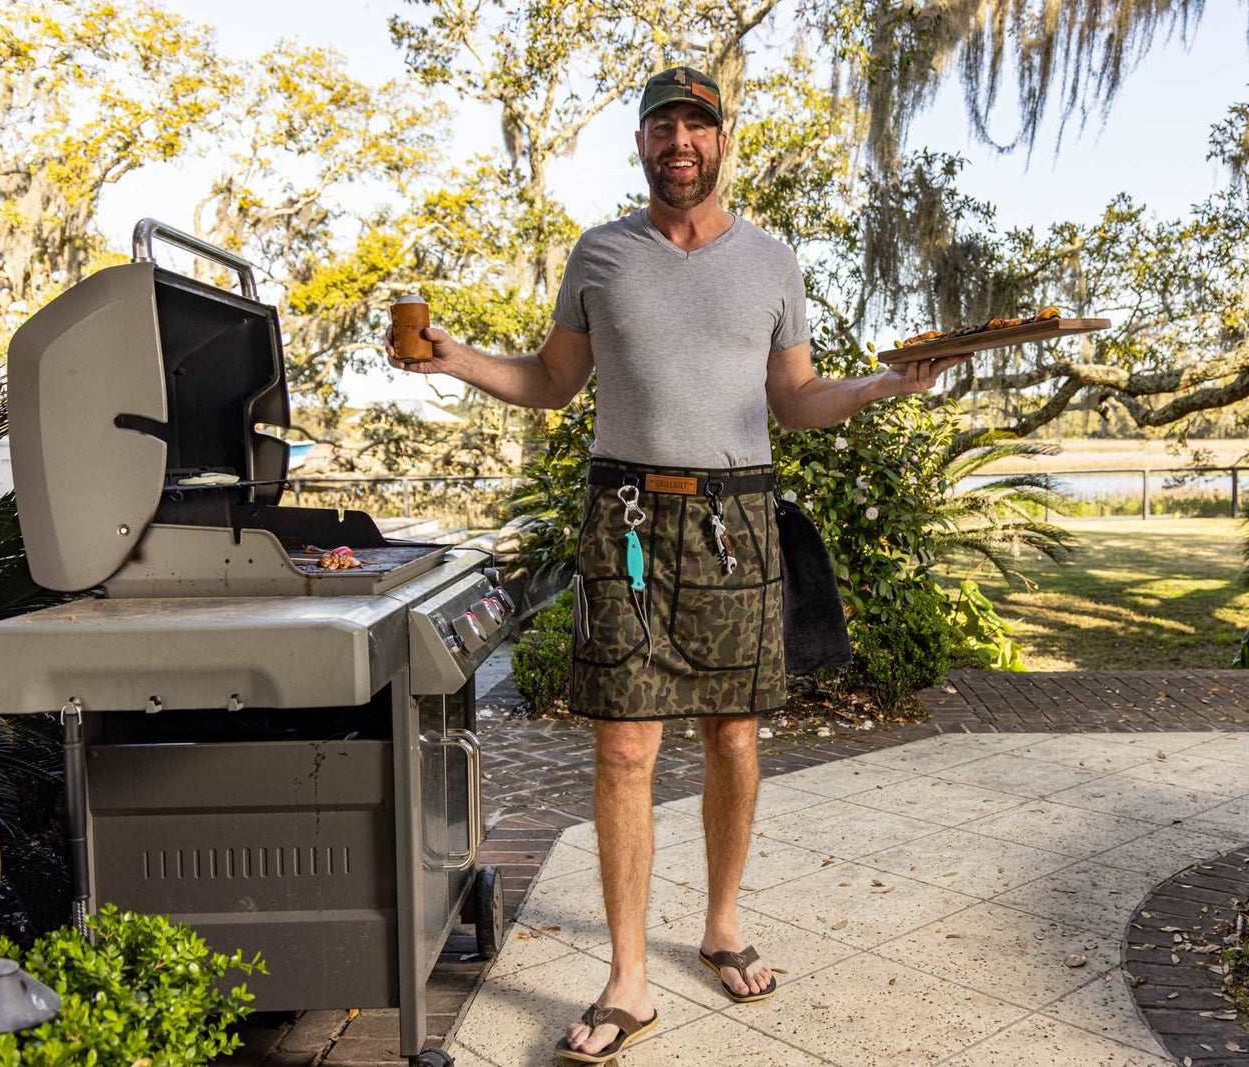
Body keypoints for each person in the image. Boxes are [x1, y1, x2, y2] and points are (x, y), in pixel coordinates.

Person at [388, 65, 967, 1063]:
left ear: (721, 141)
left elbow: (794, 401)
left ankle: (722, 922)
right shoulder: (600, 253)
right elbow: (552, 381)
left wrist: (884, 384)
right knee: (623, 751)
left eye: (698, 125)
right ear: (643, 145)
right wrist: (456, 358)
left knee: (734, 737)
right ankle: (628, 977)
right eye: (664, 126)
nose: (680, 143)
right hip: (624, 515)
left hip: (736, 517)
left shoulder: (771, 262)